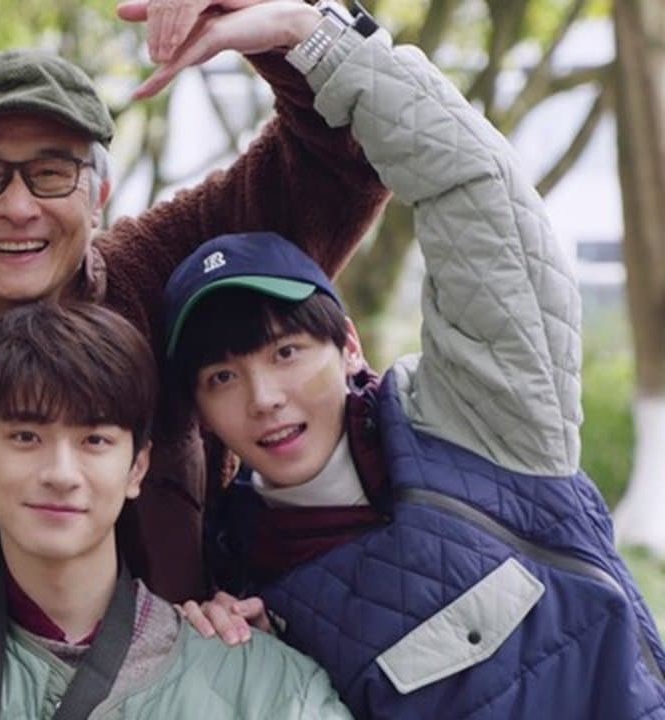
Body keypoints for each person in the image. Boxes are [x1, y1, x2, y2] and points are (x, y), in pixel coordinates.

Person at [0, 0, 391, 694]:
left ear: (100, 194)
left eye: (53, 172)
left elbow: (344, 159)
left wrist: (286, 30)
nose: (18, 207)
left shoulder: (164, 274)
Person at [159, 5, 665, 717]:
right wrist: (243, 664)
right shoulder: (237, 575)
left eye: (287, 351)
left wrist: (316, 40)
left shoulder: (483, 421)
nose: (264, 396)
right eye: (222, 377)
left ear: (349, 346)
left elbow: (476, 193)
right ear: (201, 413)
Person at [0, 301, 353, 719]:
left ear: (137, 467)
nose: (61, 473)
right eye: (26, 437)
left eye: (95, 440)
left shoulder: (268, 686)